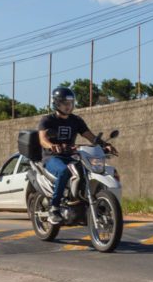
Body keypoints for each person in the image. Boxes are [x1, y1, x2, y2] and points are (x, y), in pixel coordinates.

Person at [37, 87, 109, 224]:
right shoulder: (47, 120)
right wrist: (51, 145)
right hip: (52, 158)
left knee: (88, 171)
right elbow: (43, 139)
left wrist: (104, 145)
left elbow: (91, 137)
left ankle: (87, 202)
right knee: (64, 171)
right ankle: (54, 207)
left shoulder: (76, 120)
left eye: (70, 103)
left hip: (71, 156)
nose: (68, 106)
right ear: (56, 103)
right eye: (65, 103)